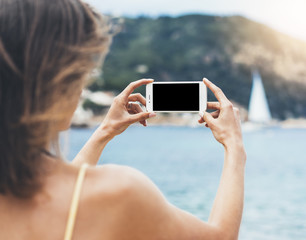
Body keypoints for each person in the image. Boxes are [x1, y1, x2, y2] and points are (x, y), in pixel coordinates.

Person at [0, 0, 246, 239]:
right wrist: (234, 147)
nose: (83, 86)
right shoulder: (121, 193)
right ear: (59, 80)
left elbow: (64, 192)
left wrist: (105, 130)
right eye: (84, 71)